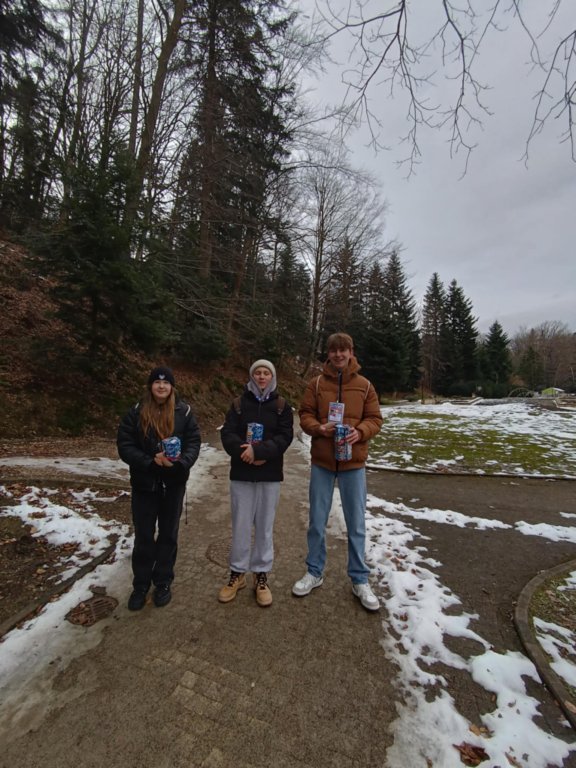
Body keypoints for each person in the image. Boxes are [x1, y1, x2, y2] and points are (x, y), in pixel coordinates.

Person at [292, 333, 383, 611]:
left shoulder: (365, 385)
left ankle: (359, 579)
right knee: (317, 521)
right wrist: (318, 428)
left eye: (343, 350)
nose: (339, 355)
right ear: (328, 354)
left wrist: (361, 432)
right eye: (334, 350)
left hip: (353, 464)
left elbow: (375, 419)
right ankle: (314, 572)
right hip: (322, 462)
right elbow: (305, 414)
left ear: (351, 352)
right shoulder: (317, 384)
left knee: (356, 523)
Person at [117, 366, 201, 611]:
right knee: (144, 536)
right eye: (157, 382)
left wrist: (181, 463)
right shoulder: (136, 412)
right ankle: (141, 585)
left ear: (172, 387)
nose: (161, 386)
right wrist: (149, 462)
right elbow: (125, 445)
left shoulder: (184, 412)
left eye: (166, 383)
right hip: (145, 484)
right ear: (150, 386)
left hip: (173, 484)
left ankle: (163, 582)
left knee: (168, 535)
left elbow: (194, 442)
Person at [219, 359, 293, 607]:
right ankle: (237, 573)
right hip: (242, 473)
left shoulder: (282, 406)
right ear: (251, 376)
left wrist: (261, 453)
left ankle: (261, 576)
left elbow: (285, 437)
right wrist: (246, 452)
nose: (262, 376)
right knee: (240, 525)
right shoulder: (238, 404)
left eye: (266, 373)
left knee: (264, 527)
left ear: (272, 377)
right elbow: (227, 433)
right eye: (257, 373)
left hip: (269, 475)